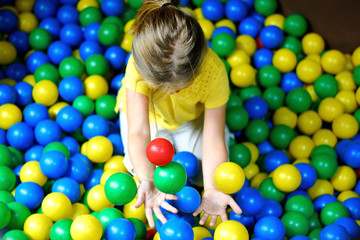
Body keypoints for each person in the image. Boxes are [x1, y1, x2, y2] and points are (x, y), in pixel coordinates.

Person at [115, 0, 242, 228]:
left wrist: (213, 189)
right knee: (140, 166)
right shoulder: (138, 65)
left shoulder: (213, 72)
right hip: (149, 119)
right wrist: (148, 179)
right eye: (162, 87)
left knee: (201, 175)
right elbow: (138, 130)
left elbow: (212, 138)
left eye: (179, 88)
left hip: (191, 120)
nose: (172, 92)